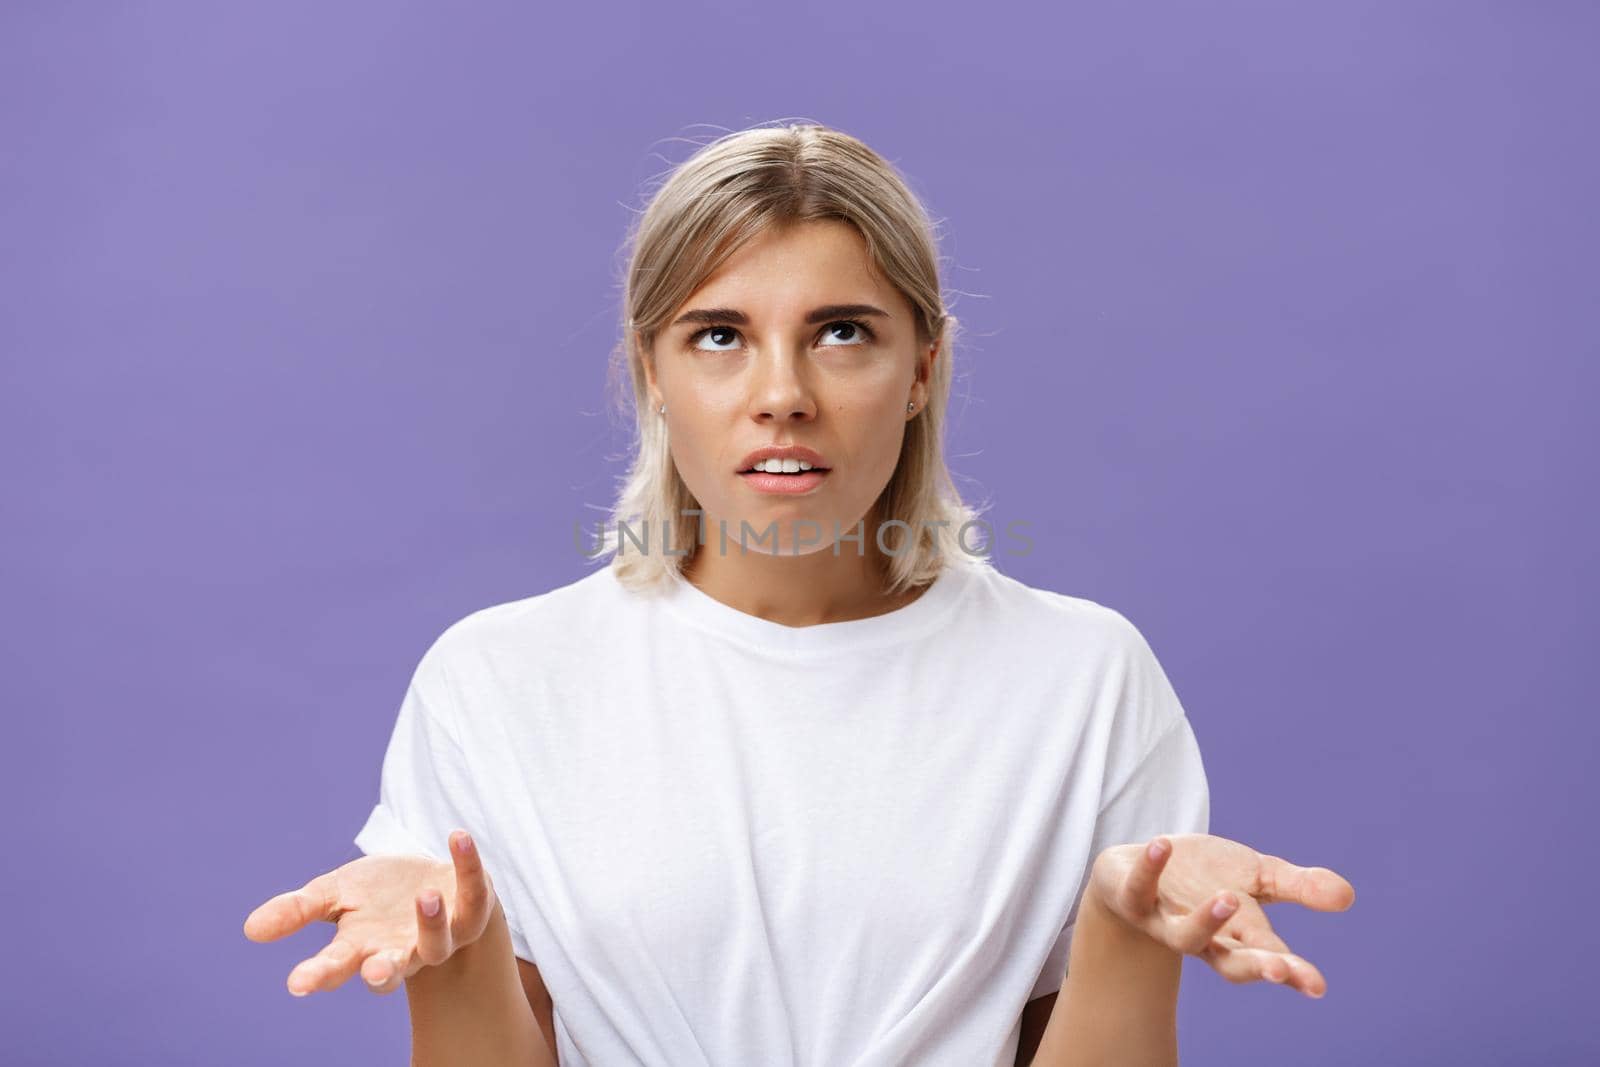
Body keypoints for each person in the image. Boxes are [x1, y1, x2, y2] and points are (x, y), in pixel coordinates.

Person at [244, 122, 1355, 1067]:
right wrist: (458, 951)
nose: (781, 394)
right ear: (651, 372)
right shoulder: (496, 678)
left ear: (922, 366)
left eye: (841, 333)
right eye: (718, 335)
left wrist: (1125, 930)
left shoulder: (1084, 675)